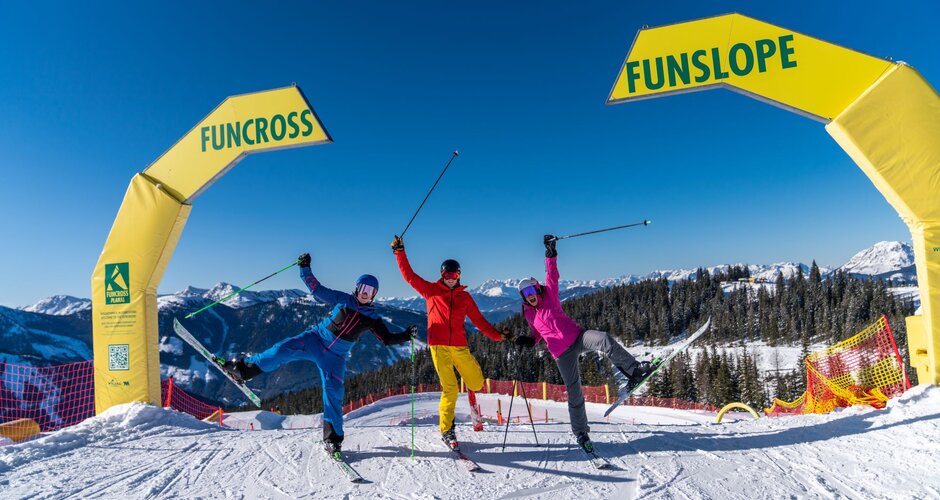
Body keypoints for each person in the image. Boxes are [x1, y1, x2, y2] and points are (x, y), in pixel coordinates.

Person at [222, 252, 417, 459]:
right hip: (314, 339)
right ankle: (243, 370)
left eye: (370, 291)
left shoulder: (372, 318)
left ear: (374, 294)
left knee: (334, 393)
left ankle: (333, 439)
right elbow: (317, 290)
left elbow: (386, 339)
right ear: (356, 288)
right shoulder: (344, 299)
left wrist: (406, 335)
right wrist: (305, 268)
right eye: (363, 288)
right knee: (281, 350)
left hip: (335, 357)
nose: (365, 293)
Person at [512, 235, 652, 454]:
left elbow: (552, 274)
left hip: (578, 336)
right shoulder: (529, 313)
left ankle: (634, 371)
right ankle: (581, 433)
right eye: (525, 294)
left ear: (537, 289)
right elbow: (538, 332)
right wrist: (530, 340)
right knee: (574, 392)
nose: (529, 296)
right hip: (561, 353)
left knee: (604, 338)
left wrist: (550, 253)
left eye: (531, 290)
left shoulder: (550, 295)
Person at [391, 235, 506, 449]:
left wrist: (499, 336)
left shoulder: (465, 297)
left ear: (459, 275)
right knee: (450, 388)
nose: (451, 278)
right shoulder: (431, 290)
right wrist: (399, 252)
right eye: (447, 275)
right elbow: (410, 277)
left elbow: (479, 321)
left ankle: (469, 383)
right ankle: (447, 430)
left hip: (460, 346)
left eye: (454, 275)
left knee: (476, 383)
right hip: (438, 346)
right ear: (442, 275)